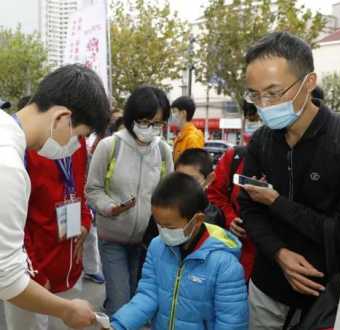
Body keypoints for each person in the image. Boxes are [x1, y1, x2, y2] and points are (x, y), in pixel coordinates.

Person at [239, 32, 340, 329]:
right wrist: (279, 253)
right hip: (266, 289)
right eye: (254, 94)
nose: (263, 105)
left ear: (308, 83)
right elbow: (248, 210)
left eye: (274, 93)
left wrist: (277, 202)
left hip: (325, 300)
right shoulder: (261, 141)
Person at [0, 64, 110, 329]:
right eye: (78, 136)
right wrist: (68, 310)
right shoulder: (9, 165)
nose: (75, 145)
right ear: (62, 117)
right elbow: (8, 277)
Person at [111, 172, 249, 330]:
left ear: (197, 220)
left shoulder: (224, 264)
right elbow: (148, 295)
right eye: (159, 225)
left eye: (169, 227)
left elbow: (231, 322)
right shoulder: (157, 247)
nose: (163, 232)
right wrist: (119, 325)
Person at [86, 86, 174, 317]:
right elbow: (92, 189)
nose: (151, 128)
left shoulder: (164, 151)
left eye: (158, 123)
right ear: (132, 117)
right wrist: (110, 207)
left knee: (138, 299)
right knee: (121, 302)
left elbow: (169, 194)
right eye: (145, 121)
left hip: (147, 241)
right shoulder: (109, 146)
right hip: (112, 237)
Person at [207, 142, 256, 281]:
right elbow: (215, 194)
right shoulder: (236, 157)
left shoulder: (294, 162)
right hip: (234, 253)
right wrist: (230, 218)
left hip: (275, 261)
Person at [171, 96, 204, 162]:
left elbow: (193, 169)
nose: (172, 115)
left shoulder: (192, 138)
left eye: (174, 111)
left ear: (183, 113)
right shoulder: (181, 136)